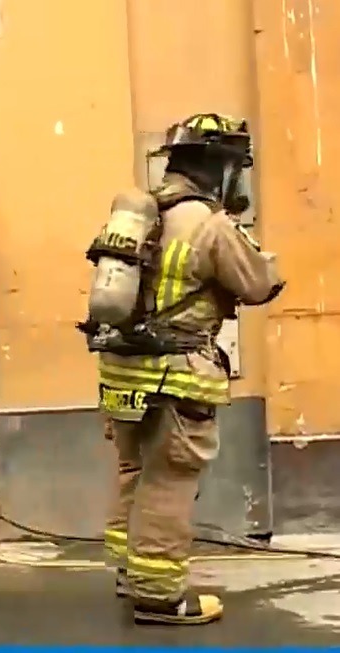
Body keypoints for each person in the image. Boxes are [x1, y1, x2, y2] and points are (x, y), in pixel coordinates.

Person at [81, 114, 284, 625]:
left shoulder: (140, 216)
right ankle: (158, 595)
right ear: (219, 169)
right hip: (177, 375)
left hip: (121, 371)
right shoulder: (210, 225)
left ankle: (131, 573)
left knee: (133, 470)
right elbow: (260, 284)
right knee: (169, 481)